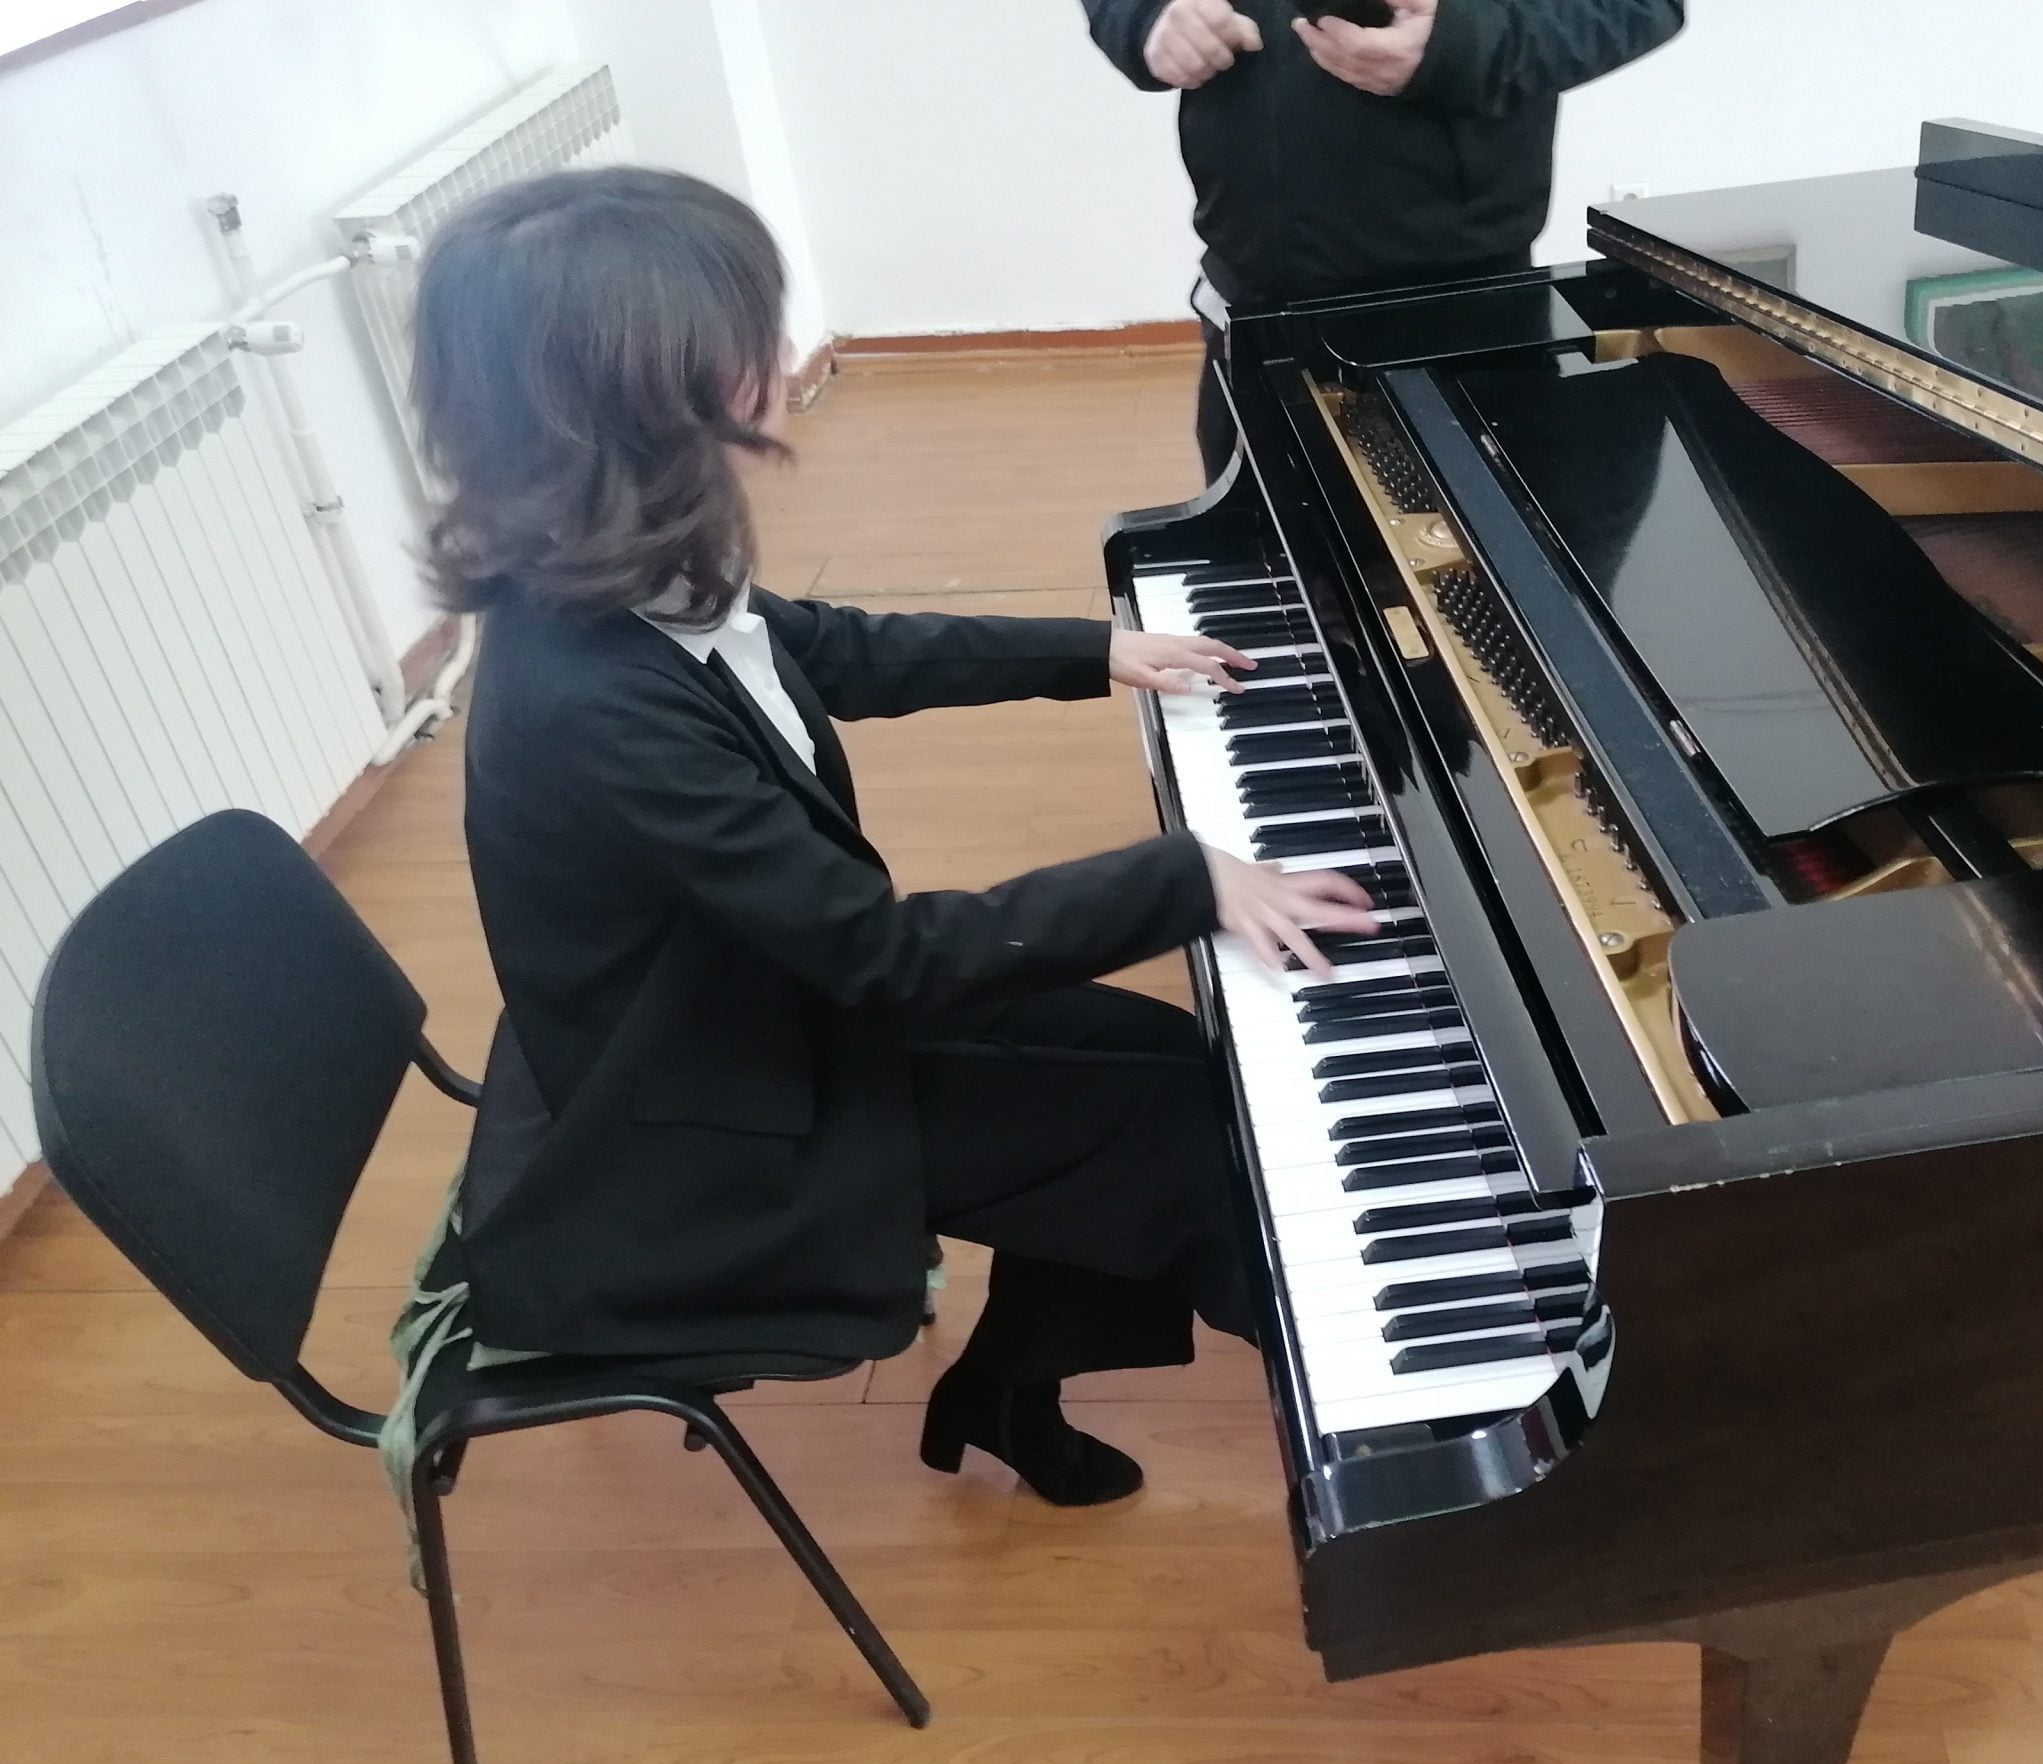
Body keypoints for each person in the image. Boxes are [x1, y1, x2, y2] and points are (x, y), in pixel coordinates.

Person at [408, 167, 1373, 1506]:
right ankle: (1394, 1434)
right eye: (744, 329)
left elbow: (820, 646)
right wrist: (1183, 878)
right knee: (1185, 1148)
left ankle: (1011, 1385)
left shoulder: (612, 567)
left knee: (1167, 1063)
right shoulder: (595, 702)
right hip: (707, 1121)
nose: (772, 347)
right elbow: (883, 958)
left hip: (751, 1014)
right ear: (642, 392)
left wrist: (1091, 651)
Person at [1080, 0, 1688, 476]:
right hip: (1247, 308)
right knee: (1268, 573)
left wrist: (1464, 46)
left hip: (1462, 322)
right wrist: (1143, 15)